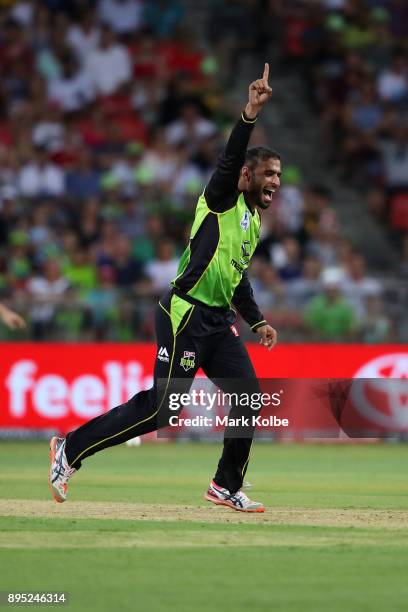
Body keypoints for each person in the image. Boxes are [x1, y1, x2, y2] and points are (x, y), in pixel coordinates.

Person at [49, 64, 281, 513]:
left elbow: (237, 277)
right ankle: (70, 448)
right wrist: (249, 114)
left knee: (249, 398)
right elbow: (230, 159)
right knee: (164, 410)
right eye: (267, 173)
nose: (274, 180)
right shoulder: (220, 199)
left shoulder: (253, 222)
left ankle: (224, 485)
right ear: (246, 178)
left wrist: (258, 320)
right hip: (185, 314)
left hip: (217, 322)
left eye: (278, 174)